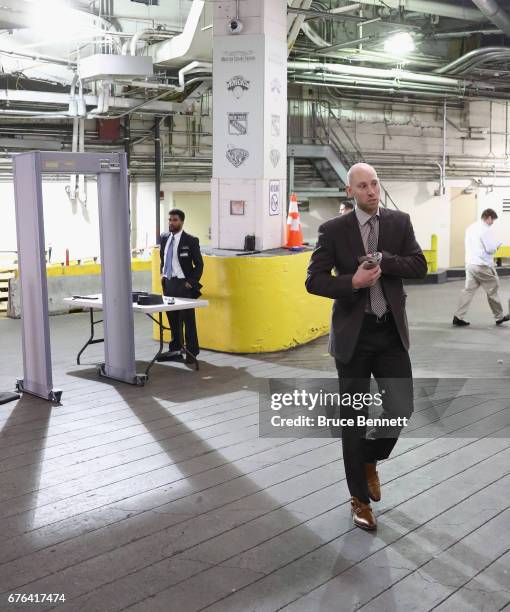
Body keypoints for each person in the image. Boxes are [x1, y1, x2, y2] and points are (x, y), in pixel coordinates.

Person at [306, 162, 427, 531]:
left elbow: (419, 265)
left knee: (401, 407)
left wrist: (385, 262)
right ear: (350, 192)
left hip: (390, 333)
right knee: (353, 420)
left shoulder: (399, 222)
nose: (372, 191)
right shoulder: (333, 230)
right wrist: (353, 282)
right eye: (363, 186)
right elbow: (313, 281)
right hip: (353, 339)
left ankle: (368, 458)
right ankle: (359, 499)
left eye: (375, 183)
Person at [159, 209, 204, 364]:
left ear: (182, 222)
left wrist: (190, 282)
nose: (171, 222)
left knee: (188, 320)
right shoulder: (164, 238)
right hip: (169, 284)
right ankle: (175, 350)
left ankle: (192, 352)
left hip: (183, 285)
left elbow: (199, 264)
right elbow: (163, 260)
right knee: (173, 320)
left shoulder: (191, 240)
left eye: (175, 220)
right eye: (170, 220)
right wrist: (162, 276)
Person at [452, 208, 509, 327]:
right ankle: (499, 317)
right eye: (492, 220)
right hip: (481, 265)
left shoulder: (470, 228)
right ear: (488, 217)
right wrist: (497, 246)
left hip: (470, 264)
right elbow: (490, 249)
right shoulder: (485, 230)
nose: (492, 222)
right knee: (493, 287)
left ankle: (458, 316)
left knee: (468, 290)